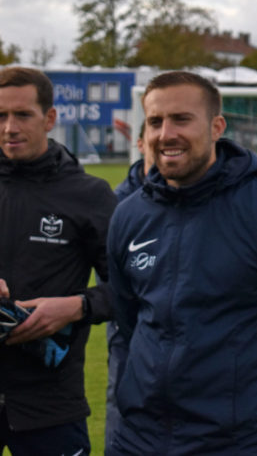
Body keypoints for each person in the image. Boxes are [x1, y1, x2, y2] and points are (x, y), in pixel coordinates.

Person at [106, 71, 257, 454]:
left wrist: (249, 403)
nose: (166, 134)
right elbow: (128, 321)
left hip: (237, 440)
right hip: (140, 437)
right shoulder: (128, 215)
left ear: (216, 127)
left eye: (182, 119)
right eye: (155, 121)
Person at [0, 66, 117, 454]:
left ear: (49, 118)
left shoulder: (89, 195)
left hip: (50, 405)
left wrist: (78, 306)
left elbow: (135, 286)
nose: (9, 127)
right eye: (0, 115)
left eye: (22, 114)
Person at [106, 122, 154, 453]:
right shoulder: (116, 202)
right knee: (120, 399)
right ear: (139, 143)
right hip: (126, 330)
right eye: (154, 127)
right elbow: (109, 280)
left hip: (183, 330)